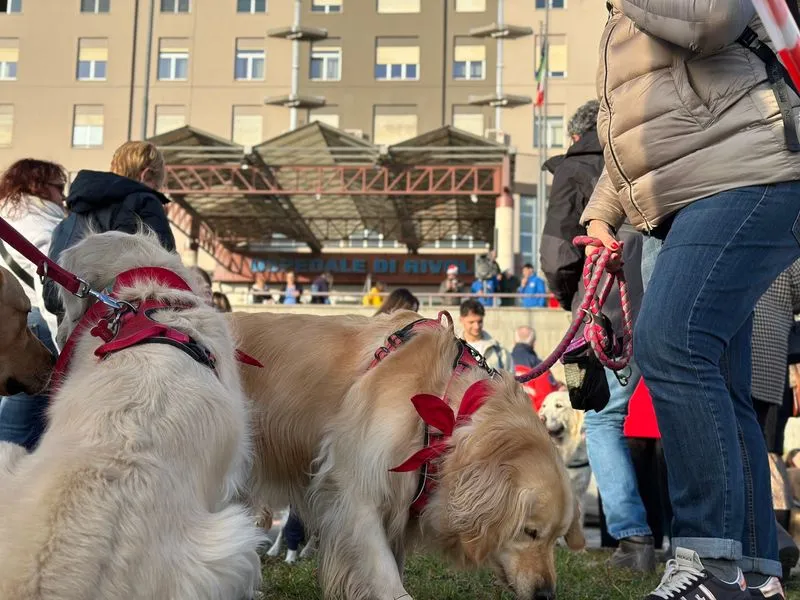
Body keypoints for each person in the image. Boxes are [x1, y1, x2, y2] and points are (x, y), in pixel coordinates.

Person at [581, 3, 800, 598]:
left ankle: (708, 561)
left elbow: (715, 19)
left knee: (672, 342)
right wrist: (604, 210)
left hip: (748, 172)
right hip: (702, 186)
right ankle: (753, 573)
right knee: (722, 388)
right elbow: (651, 121)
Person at [541, 98, 655, 572]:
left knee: (602, 419)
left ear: (574, 135)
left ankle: (632, 539)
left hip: (599, 312)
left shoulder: (574, 168)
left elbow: (556, 252)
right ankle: (701, 536)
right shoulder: (648, 151)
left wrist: (574, 297)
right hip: (660, 300)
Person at [43, 141, 176, 321]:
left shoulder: (74, 212)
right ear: (145, 174)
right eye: (157, 184)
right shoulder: (144, 202)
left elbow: (54, 295)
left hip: (74, 333)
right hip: (127, 329)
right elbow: (169, 275)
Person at [0, 159, 65, 451]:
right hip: (36, 322)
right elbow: (50, 285)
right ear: (38, 186)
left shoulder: (7, 215)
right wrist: (64, 348)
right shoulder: (40, 222)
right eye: (59, 187)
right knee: (22, 429)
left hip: (14, 318)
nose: (63, 197)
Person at [512, 326, 559, 410]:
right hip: (529, 419)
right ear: (534, 343)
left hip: (504, 417)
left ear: (514, 341)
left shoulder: (503, 362)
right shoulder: (541, 367)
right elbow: (547, 398)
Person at [457, 298, 508, 371]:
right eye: (471, 322)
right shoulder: (452, 348)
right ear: (461, 320)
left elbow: (510, 379)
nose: (476, 326)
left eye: (480, 321)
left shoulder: (498, 350)